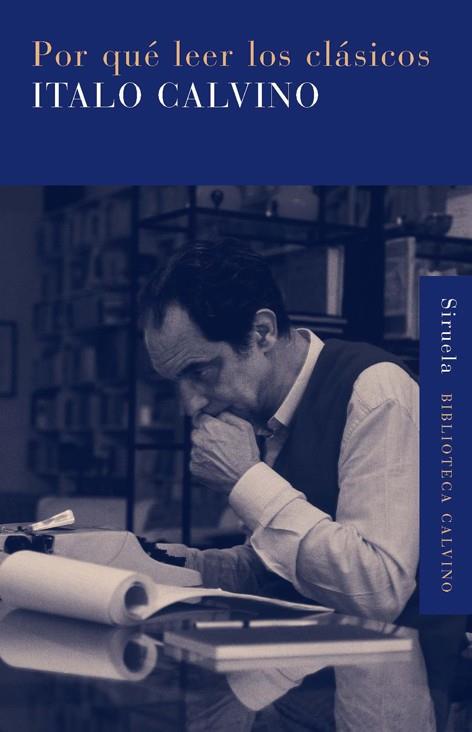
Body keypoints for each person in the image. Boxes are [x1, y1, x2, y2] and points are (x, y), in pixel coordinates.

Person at [139, 239, 419, 622]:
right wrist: (180, 565)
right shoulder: (259, 411)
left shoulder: (375, 391)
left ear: (262, 332)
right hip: (314, 649)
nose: (191, 406)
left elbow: (379, 590)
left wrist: (245, 479)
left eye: (200, 371)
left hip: (403, 654)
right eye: (177, 382)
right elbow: (283, 569)